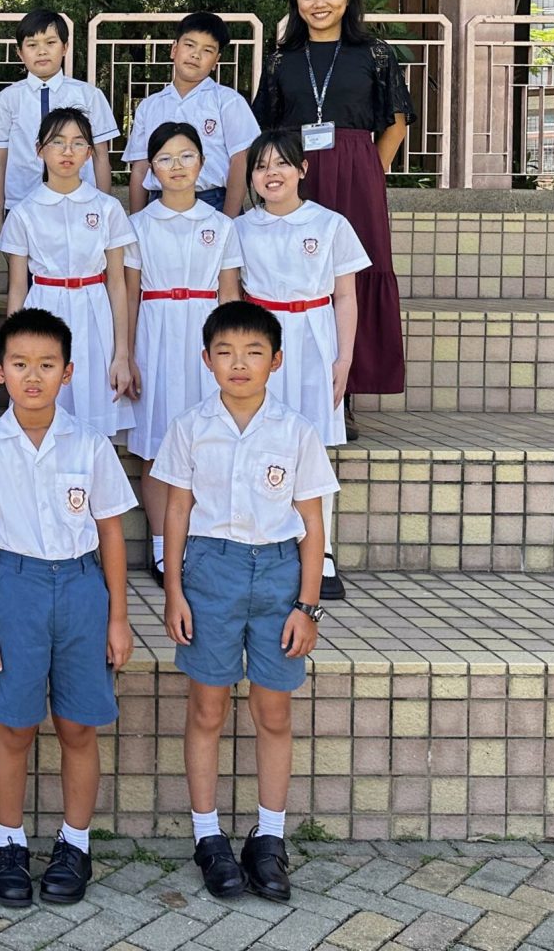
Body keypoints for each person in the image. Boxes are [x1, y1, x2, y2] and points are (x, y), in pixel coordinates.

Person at [155, 300, 338, 905]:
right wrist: (174, 590)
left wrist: (307, 606)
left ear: (276, 361)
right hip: (211, 571)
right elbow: (176, 511)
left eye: (254, 352)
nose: (239, 363)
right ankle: (208, 836)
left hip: (279, 575)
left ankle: (269, 837)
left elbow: (312, 524)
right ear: (206, 359)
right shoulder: (191, 427)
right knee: (207, 707)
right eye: (226, 352)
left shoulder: (296, 431)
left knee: (273, 710)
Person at [0, 308, 135, 909]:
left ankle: (75, 843)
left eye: (46, 365)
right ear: (0, 372)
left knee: (78, 726)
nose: (33, 376)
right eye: (20, 364)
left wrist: (117, 617)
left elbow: (111, 533)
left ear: (68, 372)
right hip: (15, 589)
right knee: (14, 726)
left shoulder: (89, 444)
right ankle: (8, 842)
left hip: (82, 589)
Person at [251, 0, 412, 434]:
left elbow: (395, 123)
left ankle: (346, 392)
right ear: (295, 3)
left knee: (352, 277)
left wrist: (372, 171)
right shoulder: (281, 60)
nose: (318, 3)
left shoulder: (375, 54)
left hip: (357, 172)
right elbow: (265, 126)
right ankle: (283, 386)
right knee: (298, 273)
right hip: (296, 173)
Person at [236, 129, 366, 602]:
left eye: (281, 164)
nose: (271, 174)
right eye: (261, 166)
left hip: (314, 339)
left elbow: (346, 296)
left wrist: (344, 358)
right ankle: (259, 540)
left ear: (302, 169)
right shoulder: (241, 228)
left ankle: (320, 549)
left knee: (311, 446)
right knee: (259, 437)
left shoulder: (330, 224)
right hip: (262, 339)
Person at [125, 122, 243, 587]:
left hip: (204, 339)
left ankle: (201, 540)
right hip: (154, 335)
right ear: (151, 169)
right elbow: (129, 295)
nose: (177, 166)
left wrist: (229, 355)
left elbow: (229, 295)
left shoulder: (221, 226)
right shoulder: (136, 226)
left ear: (203, 162)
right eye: (165, 158)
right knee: (156, 443)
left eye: (187, 155)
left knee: (206, 440)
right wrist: (126, 354)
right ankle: (161, 545)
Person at [0, 107, 139, 442]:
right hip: (43, 308)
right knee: (44, 413)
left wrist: (121, 354)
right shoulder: (24, 212)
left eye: (78, 143)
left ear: (89, 153)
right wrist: (12, 350)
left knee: (93, 419)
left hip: (93, 313)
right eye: (58, 142)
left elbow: (117, 284)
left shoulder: (107, 208)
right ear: (39, 149)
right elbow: (17, 288)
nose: (67, 151)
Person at [0, 9, 121, 219]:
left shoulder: (89, 95)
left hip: (81, 205)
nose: (42, 51)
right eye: (32, 45)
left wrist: (104, 212)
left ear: (65, 47)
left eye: (50, 43)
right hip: (22, 205)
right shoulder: (6, 100)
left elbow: (100, 157)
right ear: (20, 52)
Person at [121, 13, 259, 217]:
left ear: (216, 61)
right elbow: (140, 168)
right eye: (189, 45)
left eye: (207, 50)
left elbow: (240, 162)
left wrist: (229, 221)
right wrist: (136, 221)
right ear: (174, 49)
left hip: (213, 202)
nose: (196, 55)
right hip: (159, 204)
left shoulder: (228, 101)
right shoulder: (149, 106)